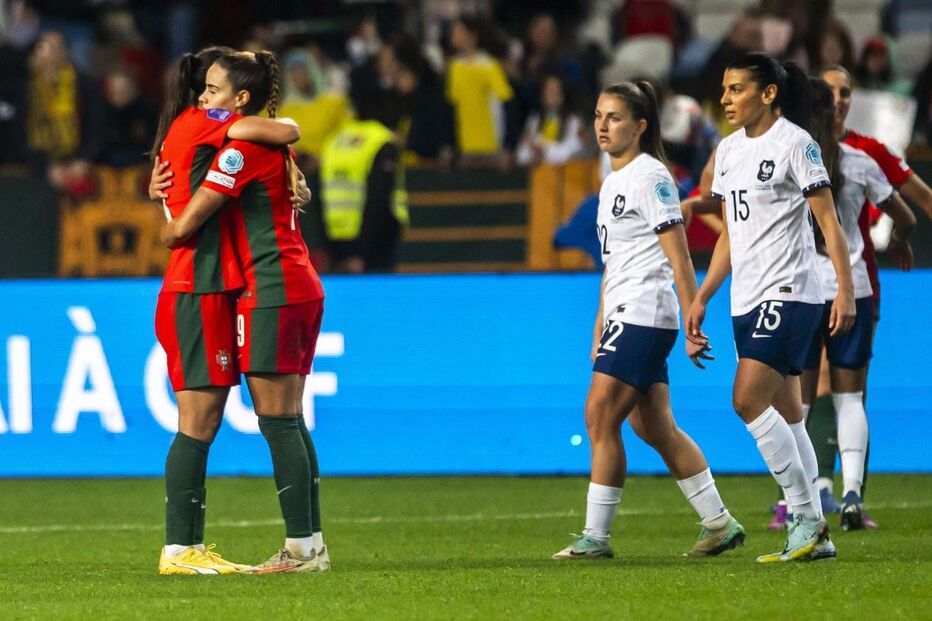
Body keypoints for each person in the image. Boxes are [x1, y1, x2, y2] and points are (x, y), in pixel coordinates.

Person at [552, 81, 744, 561]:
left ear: (639, 126)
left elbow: (677, 252)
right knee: (654, 427)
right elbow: (613, 262)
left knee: (599, 415)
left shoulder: (650, 175)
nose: (602, 125)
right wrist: (600, 323)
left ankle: (596, 537)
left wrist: (693, 311)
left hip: (646, 312)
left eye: (614, 117)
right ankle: (719, 523)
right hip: (625, 311)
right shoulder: (611, 183)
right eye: (598, 115)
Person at [160, 50, 328, 573]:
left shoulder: (240, 145)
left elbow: (189, 219)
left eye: (214, 90)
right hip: (288, 282)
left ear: (241, 100)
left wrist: (166, 222)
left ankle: (302, 550)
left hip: (270, 285)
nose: (204, 98)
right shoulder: (257, 139)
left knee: (278, 420)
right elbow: (287, 133)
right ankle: (307, 546)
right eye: (203, 88)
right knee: (287, 419)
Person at [685, 53, 856, 563]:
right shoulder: (730, 151)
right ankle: (814, 532)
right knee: (788, 413)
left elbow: (828, 223)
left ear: (768, 94)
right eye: (724, 89)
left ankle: (804, 517)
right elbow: (731, 238)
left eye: (736, 89)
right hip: (747, 296)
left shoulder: (795, 144)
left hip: (790, 290)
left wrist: (843, 290)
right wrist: (702, 295)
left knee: (745, 400)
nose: (726, 99)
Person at [798, 64, 932, 526]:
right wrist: (900, 239)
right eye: (832, 92)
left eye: (846, 92)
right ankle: (847, 493)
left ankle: (804, 498)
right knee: (848, 396)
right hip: (853, 284)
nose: (840, 100)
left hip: (802, 289)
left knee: (800, 397)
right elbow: (909, 213)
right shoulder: (860, 160)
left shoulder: (789, 153)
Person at [317, 83, 409, 273]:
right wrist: (362, 253)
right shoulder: (382, 142)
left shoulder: (333, 142)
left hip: (337, 245)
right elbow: (378, 199)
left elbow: (318, 198)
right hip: (375, 247)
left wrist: (332, 249)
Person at [515, 74, 585, 167]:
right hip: (538, 176)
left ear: (562, 96)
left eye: (555, 92)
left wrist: (544, 151)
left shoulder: (573, 121)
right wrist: (533, 155)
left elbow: (574, 152)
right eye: (548, 91)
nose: (551, 96)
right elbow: (521, 154)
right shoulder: (534, 120)